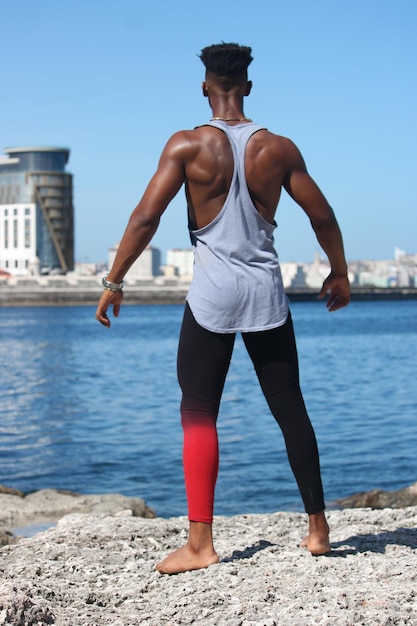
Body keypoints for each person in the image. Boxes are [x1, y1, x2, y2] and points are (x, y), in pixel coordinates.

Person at [96, 42, 351, 575]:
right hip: (266, 294)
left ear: (205, 88)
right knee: (290, 409)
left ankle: (199, 544)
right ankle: (319, 529)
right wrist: (339, 271)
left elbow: (146, 218)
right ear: (249, 88)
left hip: (211, 296)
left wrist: (115, 280)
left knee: (198, 412)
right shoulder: (277, 149)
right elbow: (322, 214)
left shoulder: (187, 145)